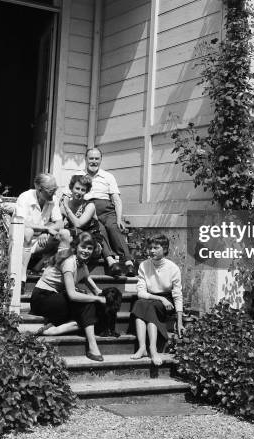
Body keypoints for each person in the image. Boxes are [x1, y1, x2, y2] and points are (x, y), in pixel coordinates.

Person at [30, 231, 106, 361]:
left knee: (90, 308)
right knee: (86, 303)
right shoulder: (69, 261)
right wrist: (96, 298)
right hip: (42, 299)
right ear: (76, 246)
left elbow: (94, 288)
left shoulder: (82, 265)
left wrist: (105, 297)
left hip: (56, 299)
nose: (86, 251)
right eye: (83, 247)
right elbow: (72, 294)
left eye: (89, 248)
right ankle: (93, 347)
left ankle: (53, 330)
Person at [75, 147, 136, 277]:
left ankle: (129, 262)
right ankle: (111, 262)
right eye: (91, 158)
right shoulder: (78, 175)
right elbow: (70, 195)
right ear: (85, 159)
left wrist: (119, 219)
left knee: (113, 227)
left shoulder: (108, 176)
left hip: (107, 210)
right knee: (100, 230)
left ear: (101, 160)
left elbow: (116, 199)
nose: (94, 161)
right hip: (88, 210)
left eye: (97, 158)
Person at [130, 235, 184, 366]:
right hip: (152, 298)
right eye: (150, 248)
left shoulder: (173, 268)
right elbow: (141, 292)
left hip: (167, 303)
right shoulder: (144, 265)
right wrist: (159, 298)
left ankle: (152, 349)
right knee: (140, 303)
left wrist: (180, 321)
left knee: (145, 306)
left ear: (164, 249)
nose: (152, 251)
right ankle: (144, 347)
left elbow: (177, 295)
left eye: (156, 247)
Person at [60, 174, 124, 277]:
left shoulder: (89, 206)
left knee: (79, 235)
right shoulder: (63, 206)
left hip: (92, 244)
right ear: (71, 188)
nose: (79, 192)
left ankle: (109, 260)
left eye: (83, 190)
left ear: (86, 192)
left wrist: (66, 207)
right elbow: (59, 224)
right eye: (77, 188)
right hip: (76, 241)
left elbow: (78, 223)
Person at [13, 173, 69, 286]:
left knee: (65, 234)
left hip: (40, 241)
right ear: (39, 188)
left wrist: (45, 231)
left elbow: (59, 223)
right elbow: (22, 222)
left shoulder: (53, 199)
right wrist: (45, 228)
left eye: (55, 189)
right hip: (21, 241)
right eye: (51, 189)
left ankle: (58, 275)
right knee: (28, 232)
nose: (54, 192)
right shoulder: (25, 197)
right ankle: (21, 278)